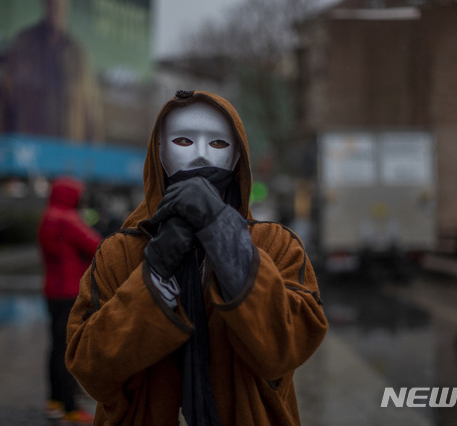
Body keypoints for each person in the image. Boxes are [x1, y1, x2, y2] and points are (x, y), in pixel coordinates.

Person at [65, 90, 328, 425]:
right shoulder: (120, 253)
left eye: (217, 143)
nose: (201, 156)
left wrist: (228, 240)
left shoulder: (276, 245)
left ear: (237, 157)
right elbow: (90, 368)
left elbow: (283, 349)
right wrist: (153, 274)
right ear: (159, 152)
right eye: (184, 141)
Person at [38, 177, 101, 422]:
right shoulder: (69, 220)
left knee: (56, 347)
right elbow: (97, 245)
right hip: (69, 292)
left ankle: (54, 401)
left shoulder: (48, 217)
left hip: (52, 291)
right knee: (68, 350)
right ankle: (69, 407)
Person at [1, 0, 104, 142]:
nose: (57, 6)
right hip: (31, 153)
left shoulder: (78, 55)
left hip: (68, 156)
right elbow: (7, 102)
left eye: (61, 3)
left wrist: (93, 156)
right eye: (53, 3)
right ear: (45, 3)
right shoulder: (24, 44)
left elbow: (92, 112)